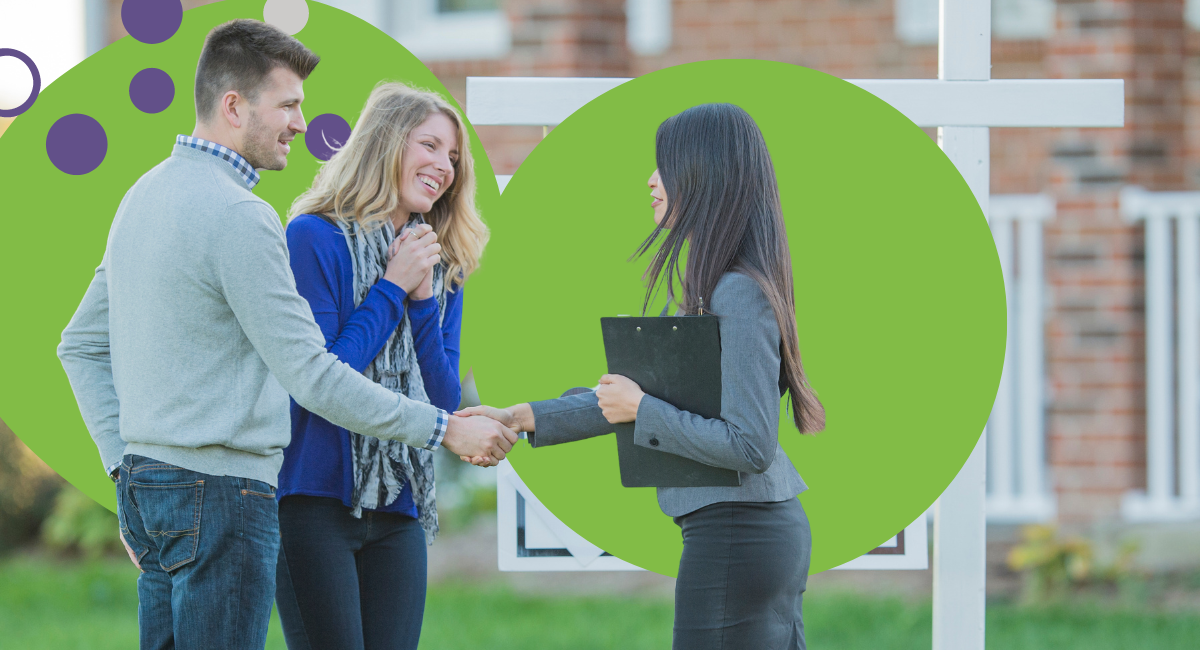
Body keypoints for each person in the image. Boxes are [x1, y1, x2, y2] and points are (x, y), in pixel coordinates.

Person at [56, 20, 514, 650]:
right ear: (234, 106)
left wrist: (122, 468)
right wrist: (444, 426)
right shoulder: (249, 219)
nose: (303, 123)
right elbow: (313, 375)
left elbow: (78, 345)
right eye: (289, 105)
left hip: (157, 486)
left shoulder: (141, 196)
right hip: (228, 493)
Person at [458, 103, 825, 650]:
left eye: (665, 166)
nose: (652, 180)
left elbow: (750, 443)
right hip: (740, 533)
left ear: (704, 174)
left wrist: (643, 410)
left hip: (739, 534)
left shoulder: (739, 294)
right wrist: (521, 416)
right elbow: (625, 397)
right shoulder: (710, 290)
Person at [272, 82, 485, 650]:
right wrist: (391, 287)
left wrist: (419, 300)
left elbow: (440, 403)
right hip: (313, 502)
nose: (445, 167)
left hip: (397, 504)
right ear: (387, 143)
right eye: (431, 146)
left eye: (454, 158)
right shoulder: (312, 239)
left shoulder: (442, 265)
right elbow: (321, 377)